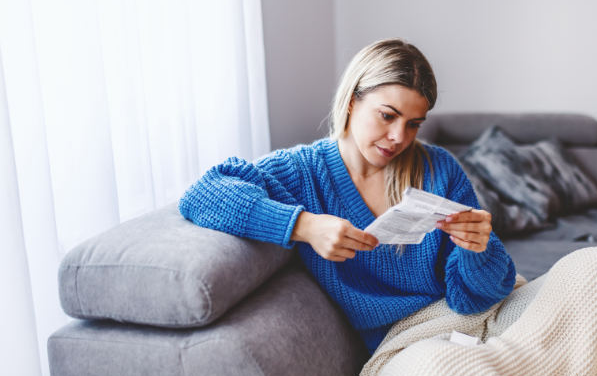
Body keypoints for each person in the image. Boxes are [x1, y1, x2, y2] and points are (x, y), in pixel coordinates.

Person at [179, 38, 517, 354]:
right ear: (353, 101)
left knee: (572, 275)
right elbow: (204, 193)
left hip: (466, 322)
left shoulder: (438, 169)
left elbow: (477, 297)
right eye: (388, 115)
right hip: (408, 345)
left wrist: (477, 248)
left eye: (414, 124)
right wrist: (304, 226)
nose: (399, 137)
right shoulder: (302, 172)